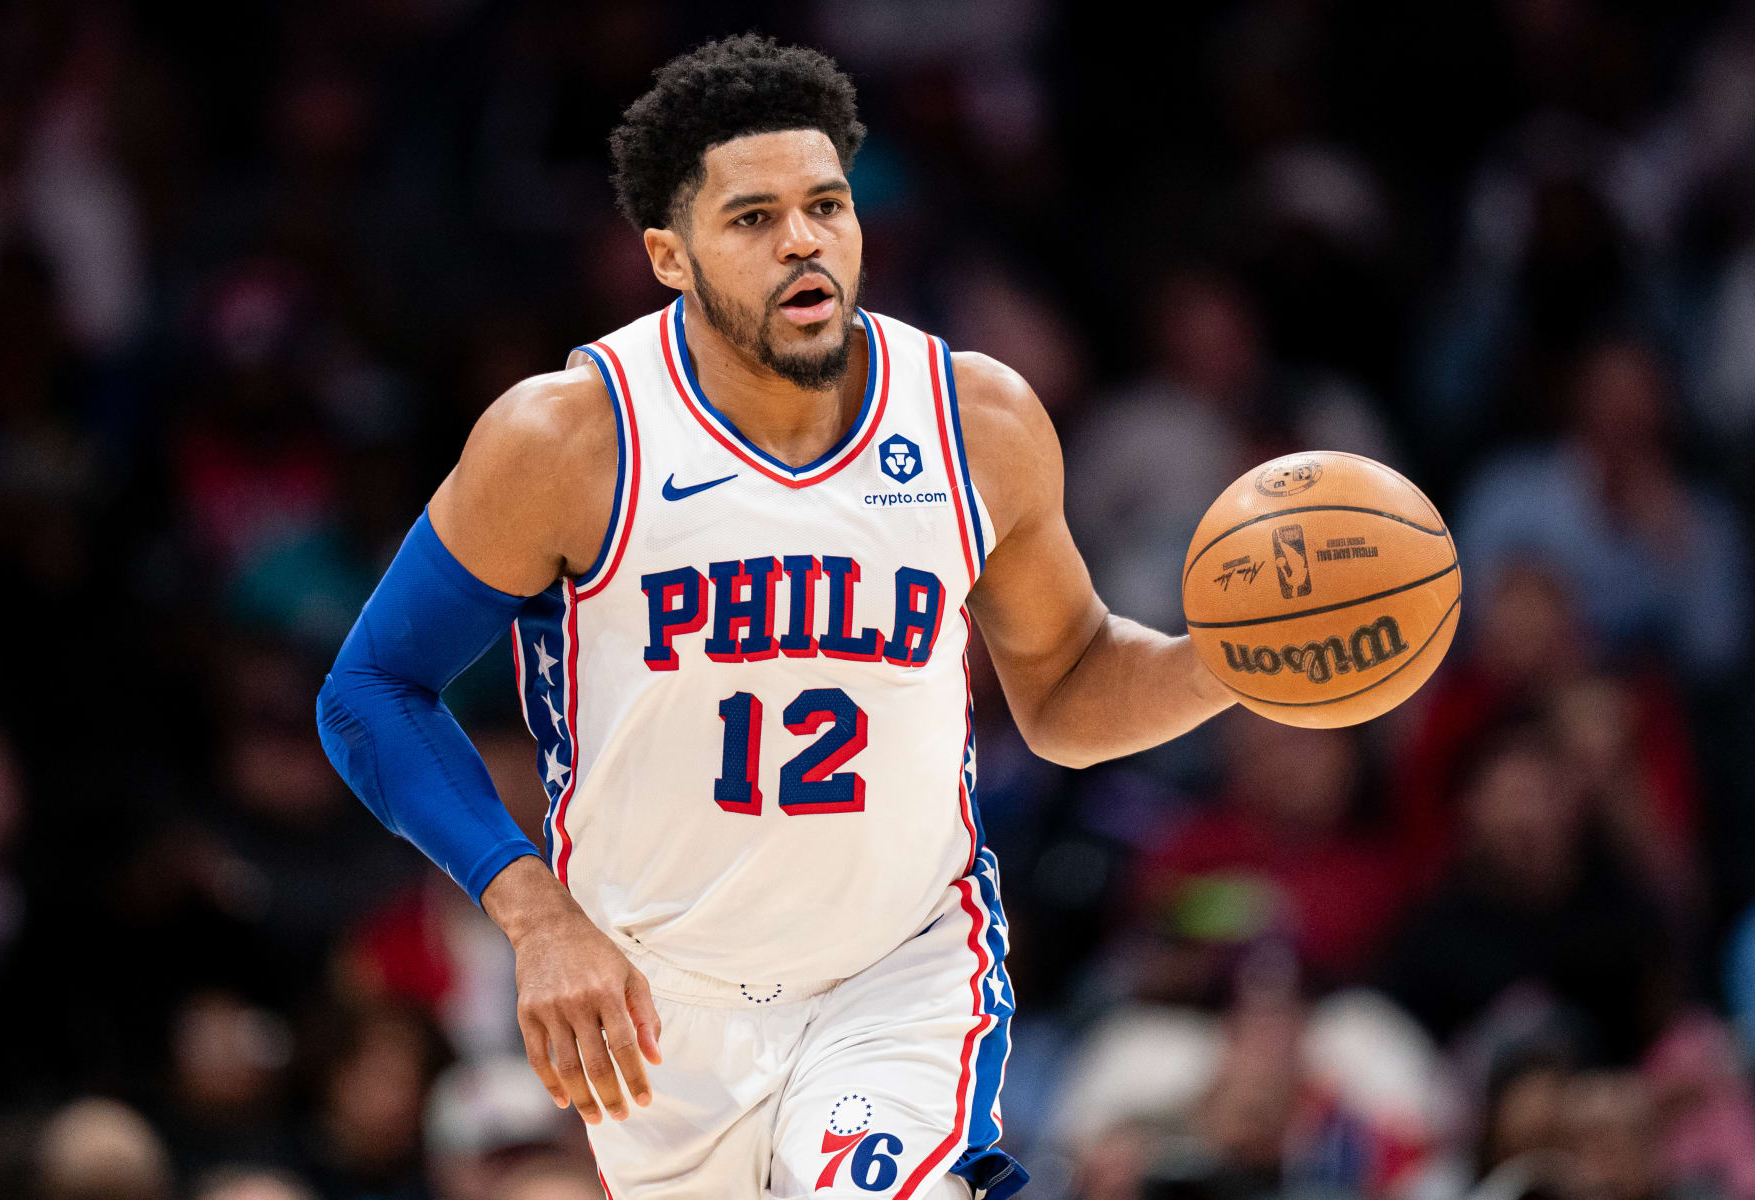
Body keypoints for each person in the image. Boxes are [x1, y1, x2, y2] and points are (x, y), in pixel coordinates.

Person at [316, 34, 1234, 1199]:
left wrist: (1231, 664)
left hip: (893, 975)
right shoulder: (567, 440)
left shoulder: (975, 421)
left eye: (826, 205)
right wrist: (534, 915)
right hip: (655, 1002)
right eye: (752, 218)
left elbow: (1065, 689)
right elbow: (368, 692)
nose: (803, 240)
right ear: (668, 253)